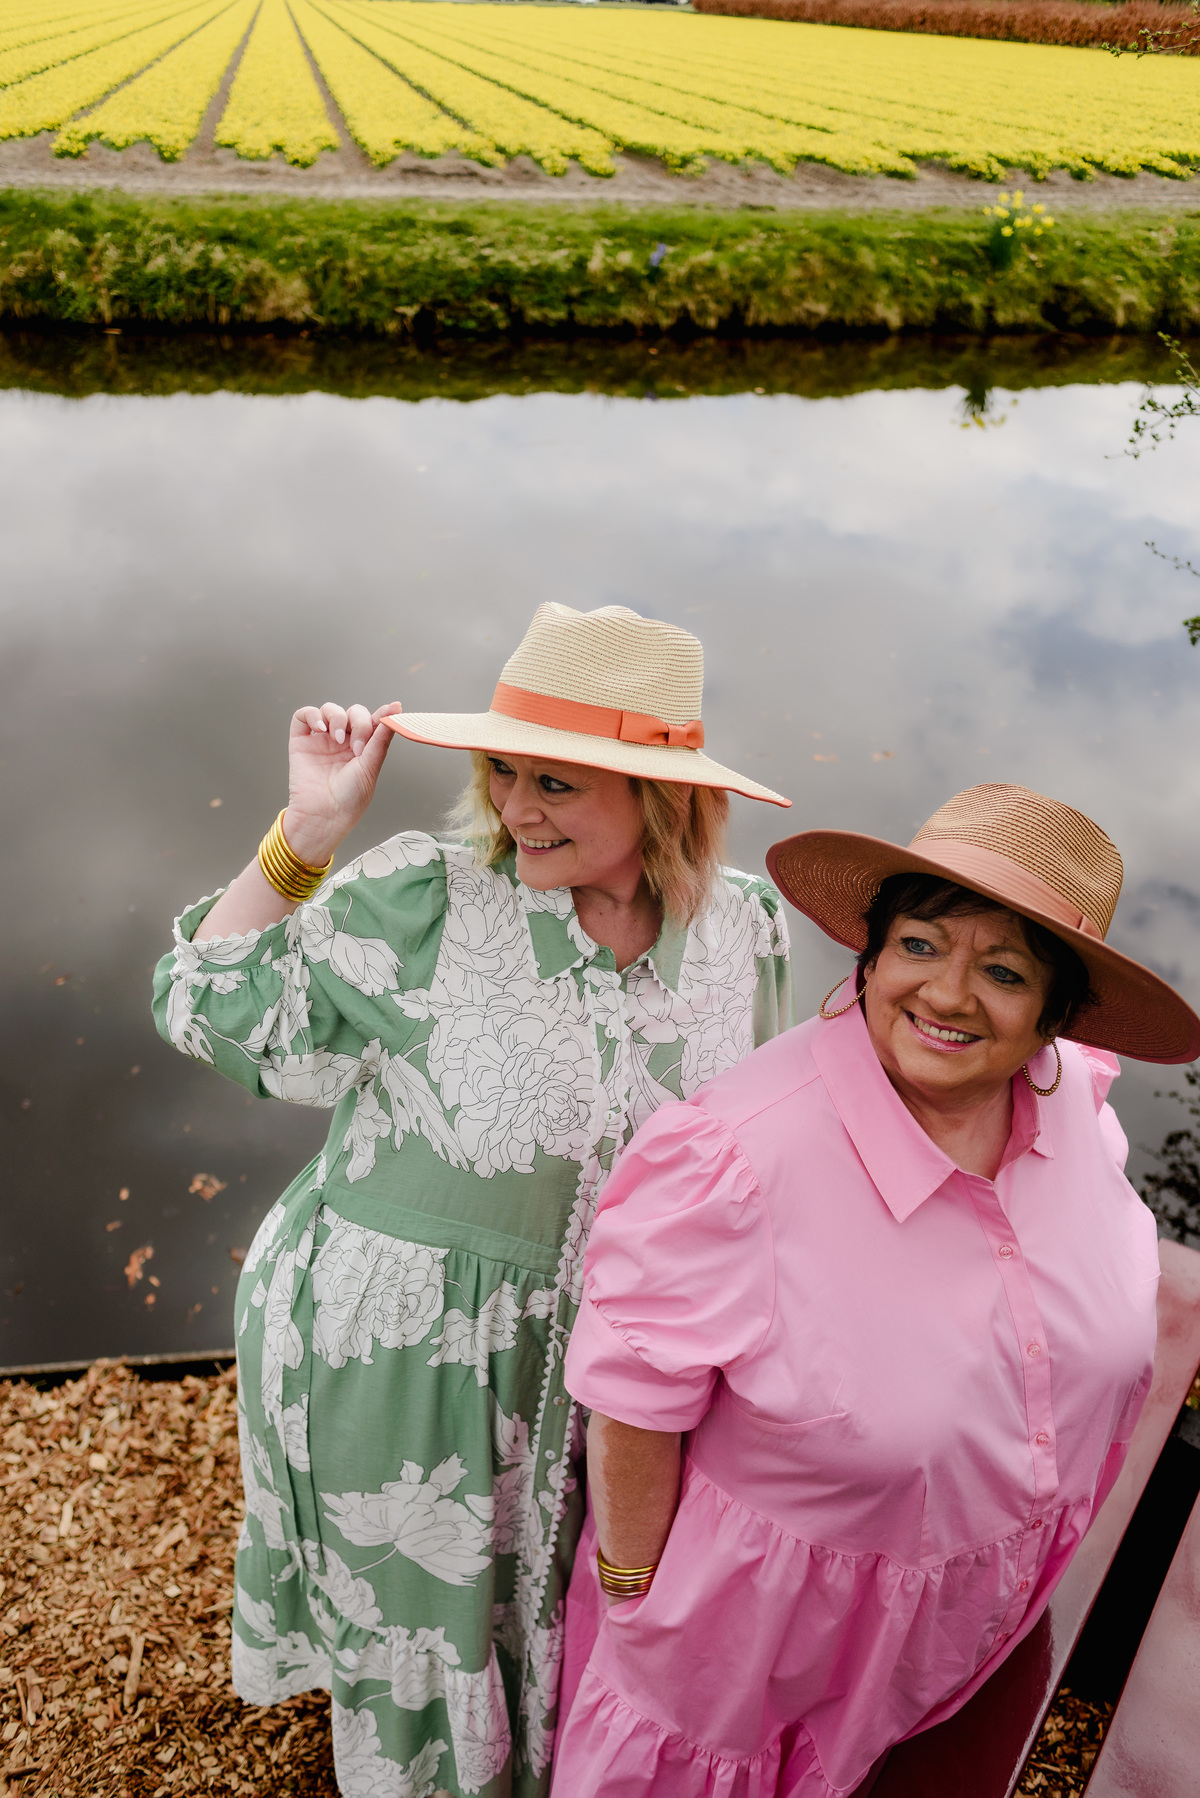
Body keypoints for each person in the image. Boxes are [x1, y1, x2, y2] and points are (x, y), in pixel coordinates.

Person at [152, 602, 794, 1798]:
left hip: (616, 1361)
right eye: (501, 767)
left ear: (665, 797)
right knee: (425, 1624)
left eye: (556, 779)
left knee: (573, 1611)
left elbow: (751, 1141)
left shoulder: (742, 930)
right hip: (402, 1348)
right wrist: (307, 830)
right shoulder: (429, 903)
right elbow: (206, 1004)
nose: (514, 805)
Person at [553, 782, 1200, 1798]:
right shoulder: (732, 1160)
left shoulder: (1073, 1094)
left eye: (1003, 969)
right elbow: (632, 1398)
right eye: (921, 944)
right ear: (870, 951)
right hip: (761, 1651)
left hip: (974, 1625)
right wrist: (633, 1594)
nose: (947, 994)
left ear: (1053, 1018)